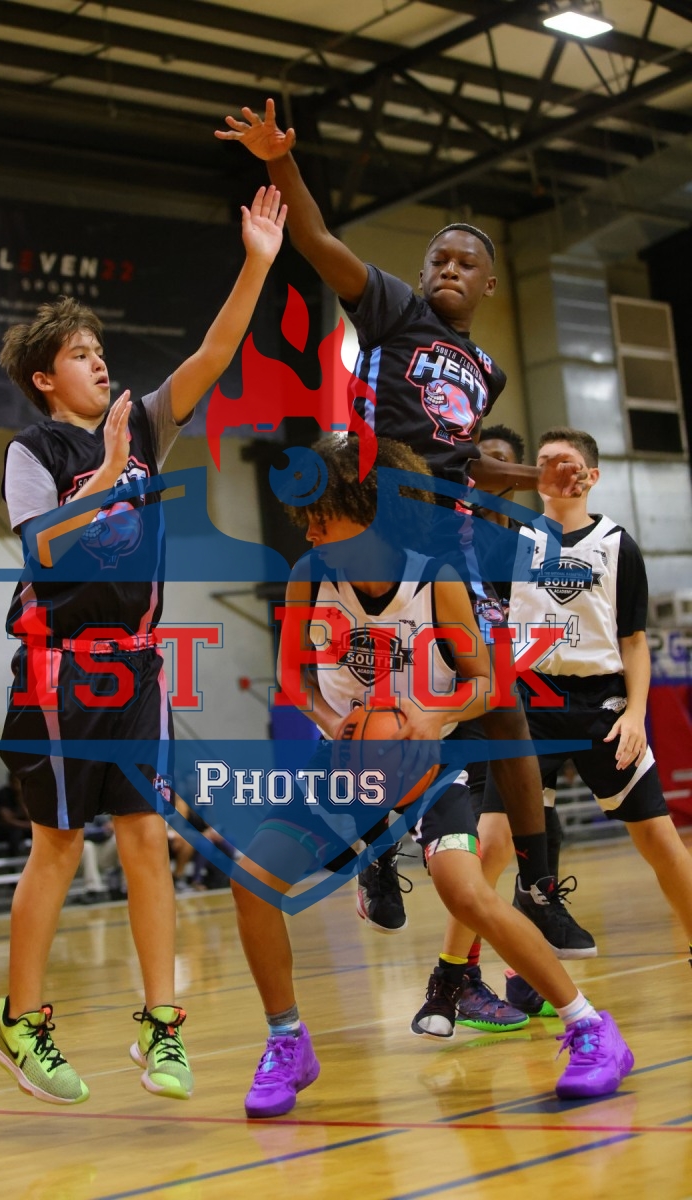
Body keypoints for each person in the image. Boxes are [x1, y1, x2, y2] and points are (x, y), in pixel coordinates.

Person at [216, 100, 593, 958]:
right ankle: (379, 856)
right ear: (421, 274)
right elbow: (316, 238)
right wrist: (279, 162)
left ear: (489, 286)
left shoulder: (486, 370)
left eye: (467, 263)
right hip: (372, 533)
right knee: (367, 705)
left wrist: (535, 479)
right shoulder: (391, 310)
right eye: (439, 259)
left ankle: (538, 887)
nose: (451, 269)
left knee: (501, 709)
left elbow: (465, 460)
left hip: (446, 546)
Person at [0, 185, 288, 1106]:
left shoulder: (147, 426)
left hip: (139, 665)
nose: (99, 361)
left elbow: (214, 354)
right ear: (45, 378)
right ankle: (19, 1021)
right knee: (58, 846)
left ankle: (161, 1026)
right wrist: (108, 473)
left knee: (149, 838)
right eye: (80, 354)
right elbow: (44, 549)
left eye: (100, 350)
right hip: (60, 668)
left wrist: (258, 262)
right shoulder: (34, 451)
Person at [230, 433, 633, 1119]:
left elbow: (484, 685)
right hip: (349, 760)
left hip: (428, 758)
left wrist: (431, 713)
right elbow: (293, 677)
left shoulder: (434, 578)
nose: (308, 526)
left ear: (367, 505)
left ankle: (591, 1027)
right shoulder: (309, 575)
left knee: (465, 894)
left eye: (320, 510)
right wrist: (336, 724)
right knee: (251, 880)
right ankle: (287, 1041)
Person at [421, 425, 692, 1033]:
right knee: (489, 847)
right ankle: (451, 976)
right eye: (543, 462)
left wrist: (635, 714)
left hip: (601, 703)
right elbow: (468, 477)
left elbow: (634, 640)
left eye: (565, 461)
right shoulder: (511, 542)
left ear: (591, 475)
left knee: (661, 841)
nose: (553, 469)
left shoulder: (618, 545)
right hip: (528, 705)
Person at [0, 774, 32, 856]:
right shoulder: (3, 795)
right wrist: (28, 825)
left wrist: (21, 801)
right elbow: (7, 821)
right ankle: (14, 859)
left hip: (21, 828)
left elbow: (31, 818)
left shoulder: (27, 795)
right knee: (15, 833)